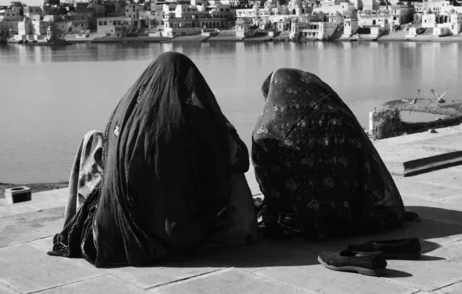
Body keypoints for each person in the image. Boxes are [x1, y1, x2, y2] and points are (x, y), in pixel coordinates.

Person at [49, 52, 257, 267]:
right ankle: (241, 230)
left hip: (119, 226)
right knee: (229, 170)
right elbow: (239, 160)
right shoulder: (195, 119)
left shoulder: (125, 118)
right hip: (182, 234)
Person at [252, 68, 410, 240]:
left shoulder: (268, 130)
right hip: (348, 218)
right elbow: (367, 171)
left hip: (295, 224)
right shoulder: (342, 119)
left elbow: (265, 180)